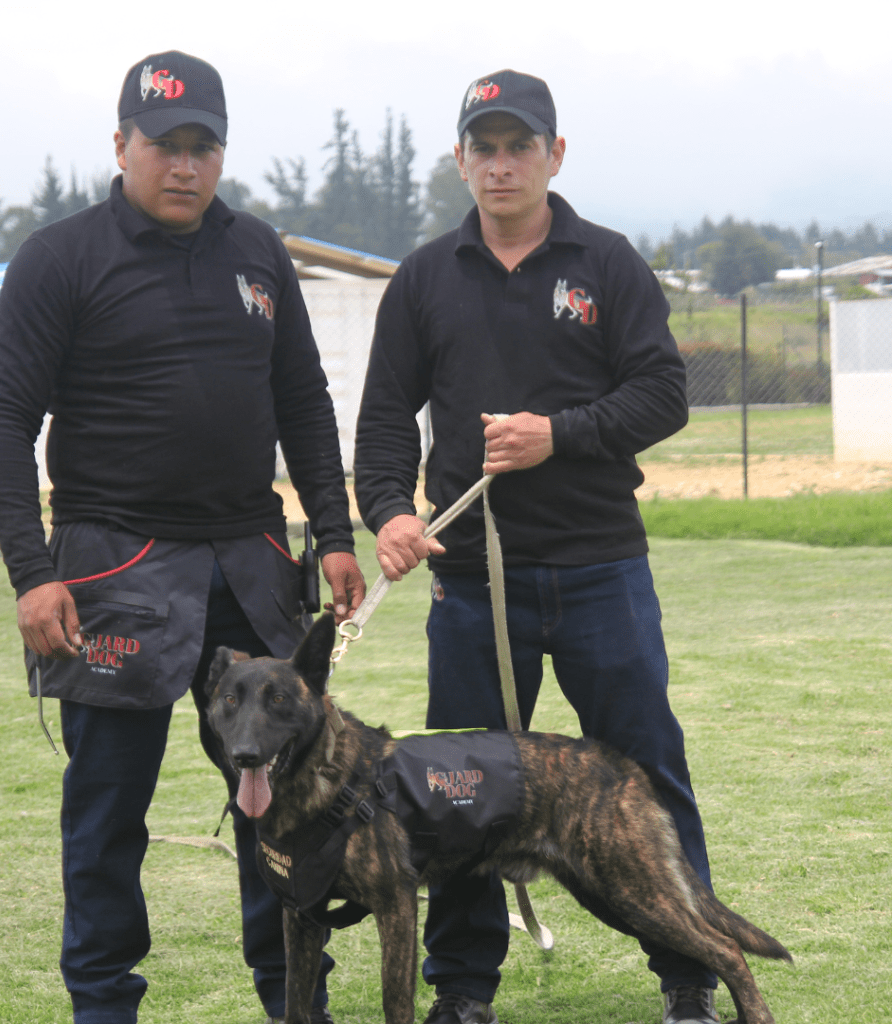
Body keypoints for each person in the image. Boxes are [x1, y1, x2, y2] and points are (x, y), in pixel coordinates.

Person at [0, 50, 365, 1024]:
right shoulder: (61, 258)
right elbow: (2, 421)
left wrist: (335, 530)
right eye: (163, 145)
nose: (183, 165)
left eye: (203, 146)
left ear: (220, 152)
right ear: (121, 144)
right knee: (107, 811)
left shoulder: (258, 253)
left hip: (248, 566)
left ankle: (294, 998)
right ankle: (103, 1005)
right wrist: (32, 573)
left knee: (282, 802)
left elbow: (302, 401)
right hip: (114, 567)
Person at [354, 69, 719, 1024]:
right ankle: (465, 992)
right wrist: (391, 511)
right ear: (461, 160)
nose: (502, 163)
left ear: (556, 156)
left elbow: (663, 395)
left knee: (644, 774)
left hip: (602, 569)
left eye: (522, 145)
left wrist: (558, 435)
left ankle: (688, 976)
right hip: (471, 584)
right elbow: (386, 419)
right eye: (486, 146)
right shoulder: (426, 277)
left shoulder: (607, 263)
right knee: (457, 792)